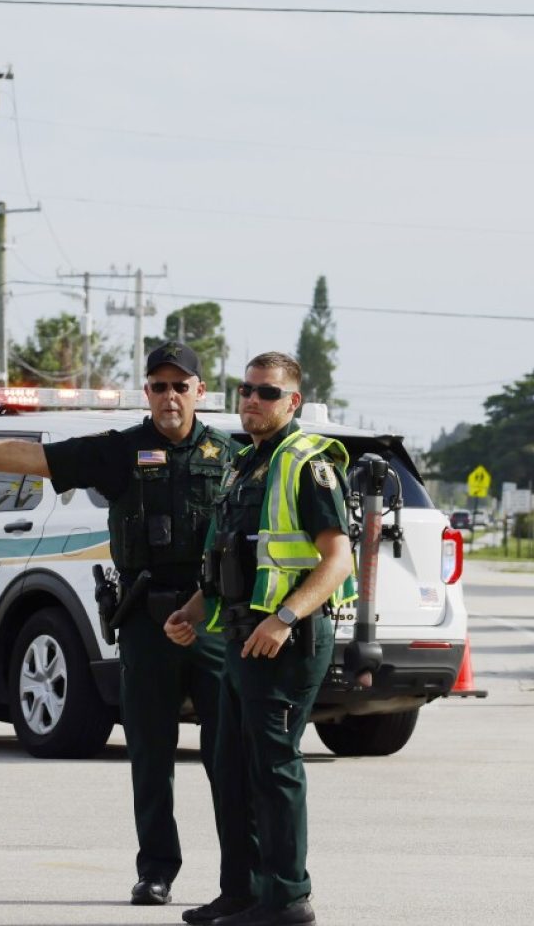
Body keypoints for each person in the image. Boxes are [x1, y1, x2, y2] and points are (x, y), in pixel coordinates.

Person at [0, 342, 248, 911]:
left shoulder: (230, 456)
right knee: (150, 755)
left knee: (228, 757)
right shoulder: (121, 451)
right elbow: (35, 458)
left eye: (179, 386)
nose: (169, 396)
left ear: (200, 392)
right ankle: (156, 870)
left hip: (209, 618)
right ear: (148, 393)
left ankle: (240, 878)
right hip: (144, 619)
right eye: (158, 386)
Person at [166, 352, 355, 926]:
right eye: (245, 389)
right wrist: (193, 612)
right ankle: (243, 891)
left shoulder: (306, 462)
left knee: (273, 766)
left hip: (286, 641)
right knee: (229, 765)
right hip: (241, 637)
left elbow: (338, 559)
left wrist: (286, 618)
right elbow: (234, 558)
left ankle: (288, 897)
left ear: (291, 402)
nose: (252, 400)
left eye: (267, 393)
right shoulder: (245, 463)